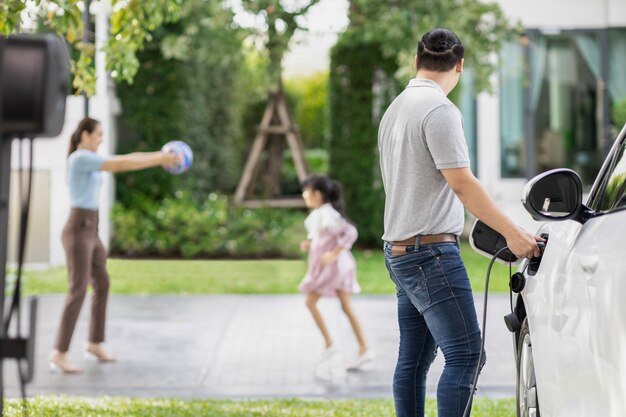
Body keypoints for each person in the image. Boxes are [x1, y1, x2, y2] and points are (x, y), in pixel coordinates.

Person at [378, 29, 543, 417]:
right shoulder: (439, 110)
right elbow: (463, 184)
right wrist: (513, 232)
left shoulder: (396, 108)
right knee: (466, 354)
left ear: (416, 61)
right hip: (429, 254)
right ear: (460, 66)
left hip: (399, 252)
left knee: (414, 361)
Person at [48, 117, 180, 374]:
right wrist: (161, 158)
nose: (100, 140)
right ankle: (58, 352)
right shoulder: (79, 158)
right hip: (78, 229)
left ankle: (94, 343)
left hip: (91, 229)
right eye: (97, 135)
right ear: (84, 135)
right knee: (78, 289)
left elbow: (128, 158)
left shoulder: (91, 159)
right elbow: (122, 163)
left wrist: (160, 156)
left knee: (103, 283)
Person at [299, 174, 374, 370]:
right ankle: (362, 348)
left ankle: (330, 344)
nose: (304, 194)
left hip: (336, 269)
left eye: (307, 190)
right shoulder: (321, 214)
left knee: (311, 302)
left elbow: (350, 232)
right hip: (336, 268)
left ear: (317, 194)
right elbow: (326, 237)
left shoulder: (327, 213)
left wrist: (334, 253)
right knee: (345, 308)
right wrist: (312, 245)